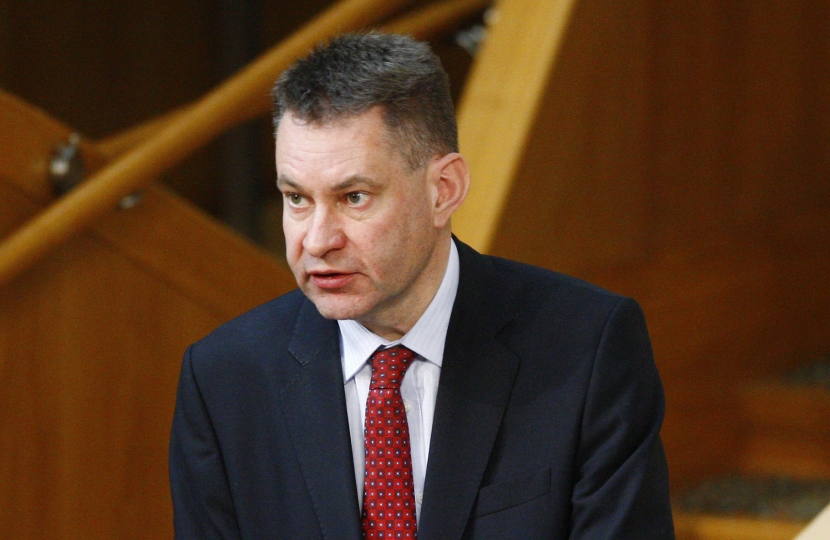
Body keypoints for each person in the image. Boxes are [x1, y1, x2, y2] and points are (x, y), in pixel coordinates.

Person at [169, 32, 674, 539]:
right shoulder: (223, 380)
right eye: (296, 198)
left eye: (354, 197)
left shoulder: (586, 350)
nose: (317, 240)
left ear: (443, 190)